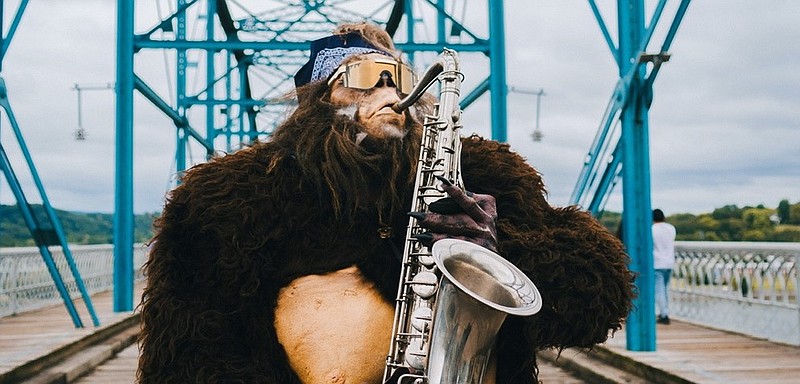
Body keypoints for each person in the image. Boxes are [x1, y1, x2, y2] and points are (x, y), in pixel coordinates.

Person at [137, 22, 635, 384]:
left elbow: (593, 307)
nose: (388, 89)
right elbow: (187, 357)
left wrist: (504, 250)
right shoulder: (228, 198)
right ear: (316, 100)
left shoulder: (479, 172)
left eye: (397, 76)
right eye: (363, 76)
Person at [652, 208, 676, 325]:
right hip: (669, 262)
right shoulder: (671, 228)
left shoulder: (652, 230)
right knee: (665, 290)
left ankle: (664, 314)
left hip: (657, 263)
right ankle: (665, 311)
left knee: (659, 291)